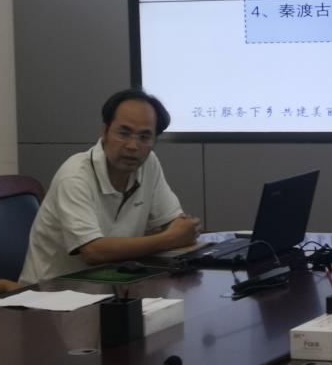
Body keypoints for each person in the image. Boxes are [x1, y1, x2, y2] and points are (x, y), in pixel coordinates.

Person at [19, 89, 201, 284]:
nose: (132, 146)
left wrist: (178, 231)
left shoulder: (148, 163)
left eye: (144, 137)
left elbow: (176, 224)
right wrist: (169, 238)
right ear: (104, 131)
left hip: (113, 283)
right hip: (51, 292)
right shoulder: (74, 176)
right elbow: (93, 252)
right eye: (124, 133)